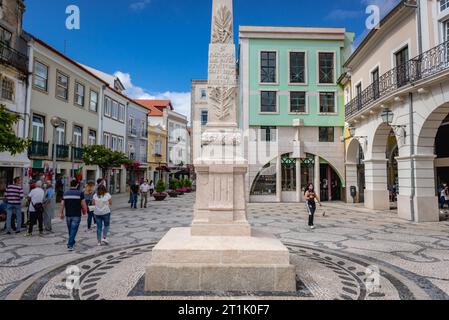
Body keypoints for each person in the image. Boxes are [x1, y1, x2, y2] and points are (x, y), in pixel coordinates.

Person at [60, 180, 87, 252]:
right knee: (73, 230)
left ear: (70, 184)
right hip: (76, 214)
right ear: (77, 185)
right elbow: (83, 203)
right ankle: (70, 245)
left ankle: (72, 241)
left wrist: (61, 213)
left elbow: (62, 204)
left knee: (70, 229)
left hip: (68, 214)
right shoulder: (80, 193)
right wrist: (84, 211)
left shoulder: (65, 193)